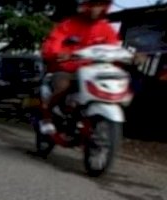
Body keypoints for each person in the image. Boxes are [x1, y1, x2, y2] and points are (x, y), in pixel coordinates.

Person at [39, 0, 119, 134]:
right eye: (93, 4)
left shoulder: (106, 29)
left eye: (99, 5)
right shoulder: (68, 25)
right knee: (62, 85)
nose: (96, 9)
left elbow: (114, 48)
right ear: (85, 6)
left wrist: (133, 56)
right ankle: (46, 115)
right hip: (67, 69)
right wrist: (59, 53)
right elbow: (52, 44)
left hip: (92, 72)